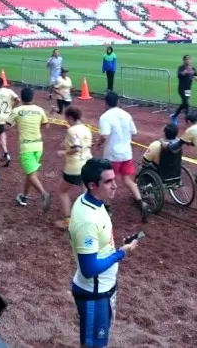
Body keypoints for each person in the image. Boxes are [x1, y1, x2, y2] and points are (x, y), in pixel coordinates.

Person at [68, 158, 139, 348]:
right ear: (93, 185)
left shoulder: (92, 202)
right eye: (108, 181)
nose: (115, 185)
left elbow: (98, 244)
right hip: (94, 293)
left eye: (114, 179)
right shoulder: (88, 220)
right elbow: (89, 269)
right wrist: (120, 253)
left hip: (101, 290)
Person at [97, 91, 145, 219]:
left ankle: (107, 208)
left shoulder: (105, 117)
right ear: (118, 102)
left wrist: (98, 143)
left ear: (106, 103)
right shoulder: (126, 115)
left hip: (112, 155)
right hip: (126, 154)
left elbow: (104, 135)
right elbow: (134, 132)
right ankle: (141, 203)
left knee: (107, 181)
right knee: (128, 180)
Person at [7, 87, 50, 210]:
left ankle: (44, 194)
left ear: (22, 98)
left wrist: (15, 124)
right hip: (38, 146)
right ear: (32, 97)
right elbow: (46, 126)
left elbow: (6, 127)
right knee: (31, 173)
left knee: (31, 174)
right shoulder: (39, 110)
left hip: (26, 147)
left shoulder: (17, 111)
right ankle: (24, 197)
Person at [55, 106, 92, 230]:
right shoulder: (87, 129)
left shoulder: (72, 130)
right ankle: (88, 220)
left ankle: (68, 220)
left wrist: (63, 152)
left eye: (66, 118)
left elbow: (77, 148)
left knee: (62, 191)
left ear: (70, 117)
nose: (66, 121)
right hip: (88, 164)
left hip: (75, 166)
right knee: (86, 192)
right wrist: (65, 145)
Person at [0, 76, 19, 167]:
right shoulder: (9, 91)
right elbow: (18, 100)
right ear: (3, 84)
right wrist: (11, 107)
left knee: (1, 134)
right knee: (2, 134)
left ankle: (6, 153)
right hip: (8, 117)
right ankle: (5, 153)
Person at [169, 54, 197, 125]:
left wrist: (195, 77)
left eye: (189, 59)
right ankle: (187, 118)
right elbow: (178, 75)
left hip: (188, 89)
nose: (188, 61)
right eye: (187, 59)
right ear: (184, 61)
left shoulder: (193, 68)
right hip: (181, 88)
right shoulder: (181, 67)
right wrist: (185, 71)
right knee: (186, 103)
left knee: (184, 104)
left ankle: (175, 116)